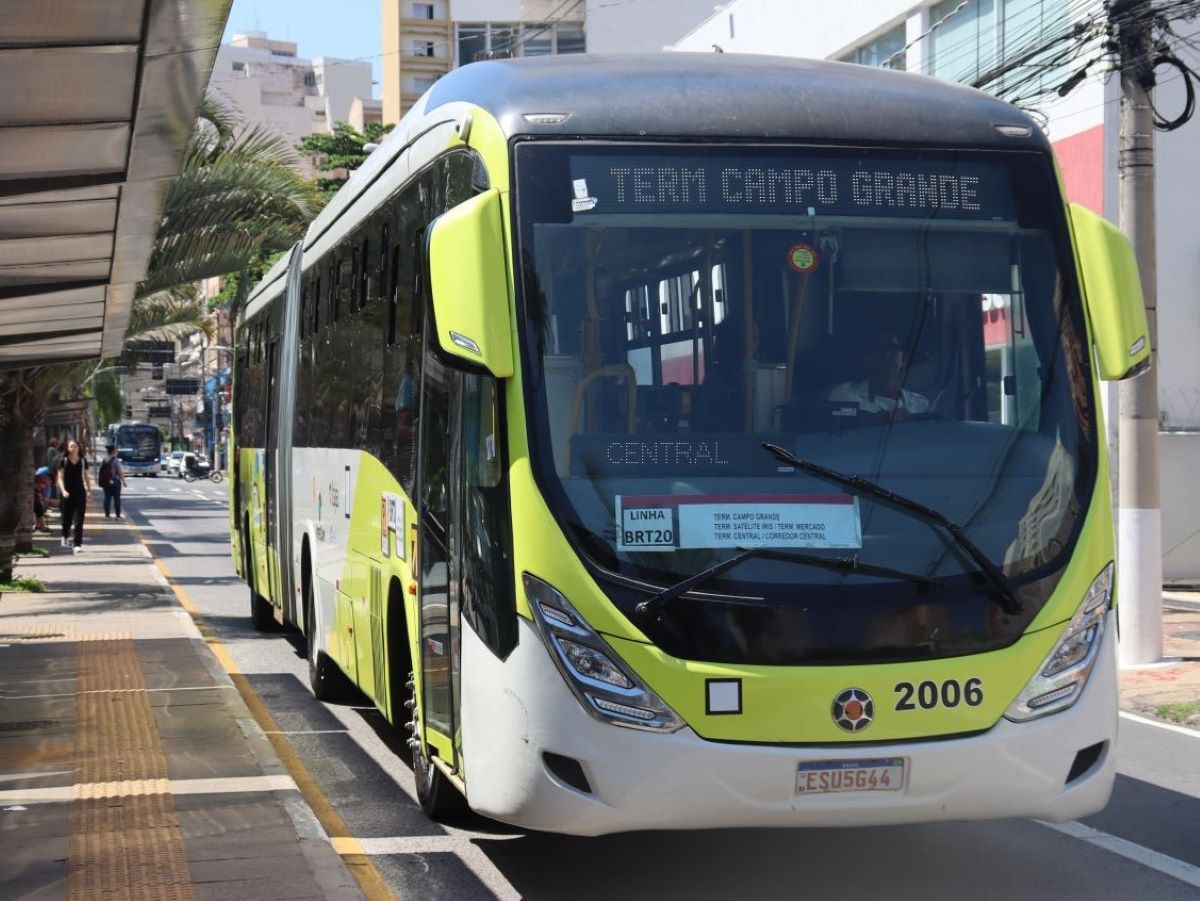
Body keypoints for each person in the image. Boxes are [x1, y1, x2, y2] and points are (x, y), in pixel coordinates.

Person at [828, 328, 929, 421]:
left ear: (904, 359)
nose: (886, 355)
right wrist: (884, 418)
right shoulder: (844, 394)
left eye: (893, 348)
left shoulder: (919, 403)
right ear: (865, 360)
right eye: (878, 348)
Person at [56, 439, 90, 553]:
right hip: (67, 494)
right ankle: (65, 536)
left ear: (78, 448)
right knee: (66, 519)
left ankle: (77, 544)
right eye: (71, 446)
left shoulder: (83, 461)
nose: (73, 448)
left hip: (80, 493)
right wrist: (63, 490)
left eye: (75, 446)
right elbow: (60, 478)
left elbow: (86, 477)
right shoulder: (63, 461)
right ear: (67, 448)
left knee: (79, 520)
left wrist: (88, 491)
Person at [99, 444, 126, 519]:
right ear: (113, 451)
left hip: (106, 482)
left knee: (107, 498)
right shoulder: (116, 460)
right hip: (115, 481)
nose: (117, 452)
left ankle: (107, 515)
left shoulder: (104, 459)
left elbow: (101, 471)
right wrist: (123, 481)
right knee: (116, 498)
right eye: (116, 450)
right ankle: (117, 515)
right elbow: (120, 472)